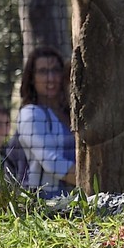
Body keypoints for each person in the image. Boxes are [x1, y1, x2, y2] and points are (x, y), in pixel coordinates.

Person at [16, 46, 76, 194]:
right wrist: (94, 179)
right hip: (44, 206)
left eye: (55, 70)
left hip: (79, 201)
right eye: (43, 71)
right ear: (32, 78)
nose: (51, 78)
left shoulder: (71, 114)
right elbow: (51, 162)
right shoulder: (30, 114)